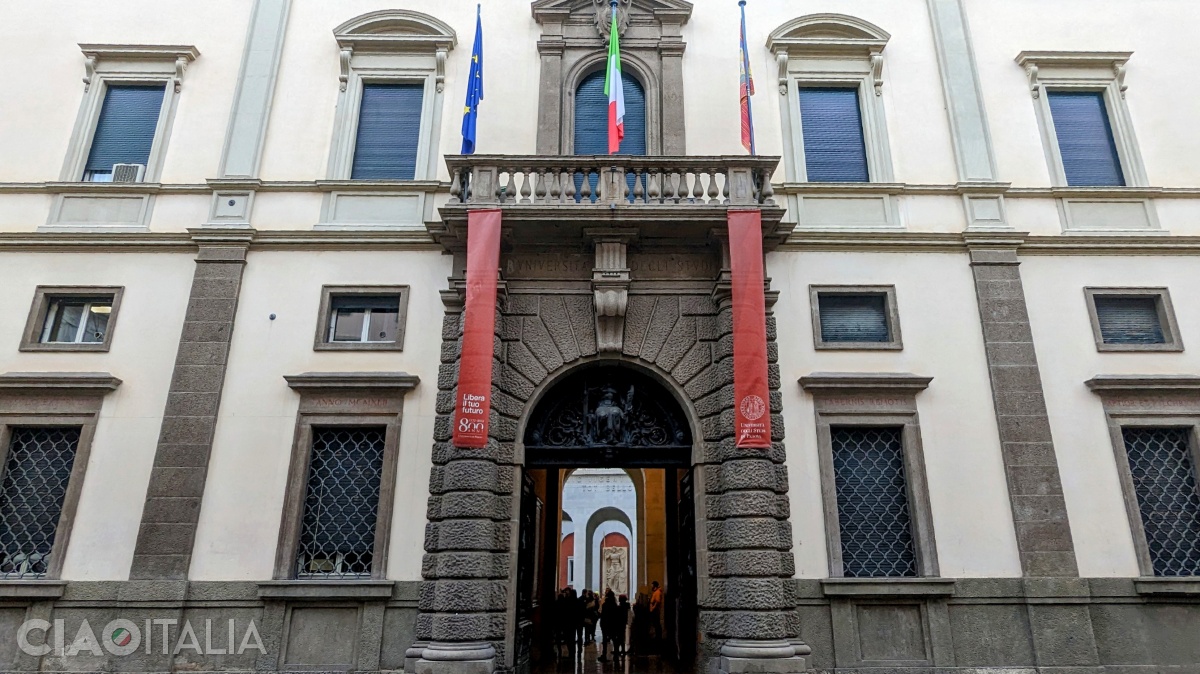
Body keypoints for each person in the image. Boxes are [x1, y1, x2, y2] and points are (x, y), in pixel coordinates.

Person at [597, 589, 620, 662]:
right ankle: (616, 653)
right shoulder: (614, 605)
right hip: (612, 623)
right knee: (614, 638)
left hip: (605, 623)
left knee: (605, 639)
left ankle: (604, 655)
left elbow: (602, 614)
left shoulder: (605, 604)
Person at [649, 581, 664, 647]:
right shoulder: (656, 592)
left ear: (654, 586)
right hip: (654, 611)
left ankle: (658, 638)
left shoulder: (657, 592)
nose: (651, 587)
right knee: (656, 624)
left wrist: (652, 608)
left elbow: (657, 602)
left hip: (655, 611)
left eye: (652, 585)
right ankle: (657, 637)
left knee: (656, 624)